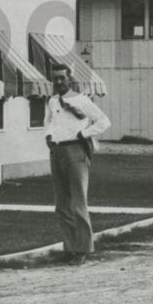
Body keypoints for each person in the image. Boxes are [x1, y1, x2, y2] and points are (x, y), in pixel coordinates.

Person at [44, 63, 111, 264]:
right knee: (62, 204)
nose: (58, 82)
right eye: (55, 78)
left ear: (70, 79)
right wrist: (48, 135)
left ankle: (83, 249)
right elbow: (48, 121)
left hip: (76, 150)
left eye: (61, 78)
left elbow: (104, 121)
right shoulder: (53, 101)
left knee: (78, 202)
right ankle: (70, 247)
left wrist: (84, 133)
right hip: (57, 151)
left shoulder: (80, 100)